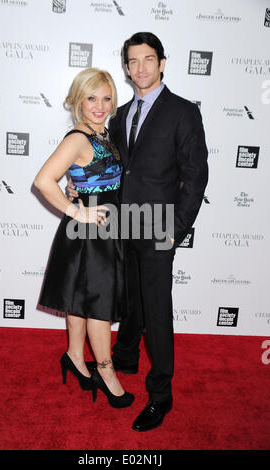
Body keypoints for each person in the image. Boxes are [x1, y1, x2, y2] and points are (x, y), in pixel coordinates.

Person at [68, 32, 208, 431]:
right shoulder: (120, 112)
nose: (141, 68)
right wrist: (75, 186)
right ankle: (126, 356)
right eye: (133, 61)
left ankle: (161, 395)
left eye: (149, 59)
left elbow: (196, 178)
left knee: (157, 312)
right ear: (127, 68)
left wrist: (175, 230)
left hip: (159, 228)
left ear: (162, 63)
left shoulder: (183, 112)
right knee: (129, 300)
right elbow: (109, 170)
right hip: (119, 226)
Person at [34, 68, 134, 409]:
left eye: (107, 98)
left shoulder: (102, 133)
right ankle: (106, 374)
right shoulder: (78, 137)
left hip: (100, 232)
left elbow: (85, 176)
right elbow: (43, 180)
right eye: (92, 98)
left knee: (81, 298)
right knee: (99, 308)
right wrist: (78, 211)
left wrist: (76, 188)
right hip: (91, 233)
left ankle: (75, 357)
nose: (100, 105)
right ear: (77, 100)